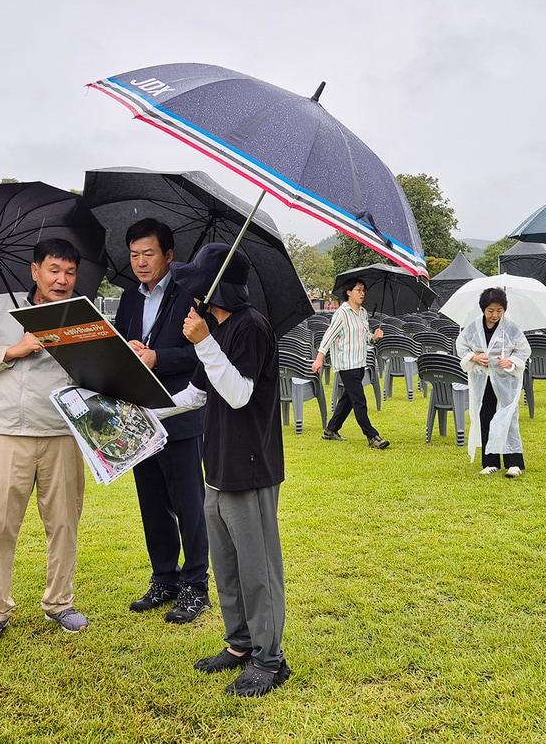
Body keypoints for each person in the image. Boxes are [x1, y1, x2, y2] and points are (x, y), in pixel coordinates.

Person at [154, 244, 290, 697]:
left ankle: (269, 660)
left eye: (196, 284)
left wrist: (204, 343)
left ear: (214, 290)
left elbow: (238, 394)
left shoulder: (250, 327)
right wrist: (143, 412)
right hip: (215, 466)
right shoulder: (215, 330)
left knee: (257, 568)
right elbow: (195, 395)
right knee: (226, 565)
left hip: (249, 468)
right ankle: (239, 645)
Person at [0, 238, 89, 644]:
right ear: (35, 270)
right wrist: (15, 349)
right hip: (8, 433)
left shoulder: (81, 313)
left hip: (61, 434)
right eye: (54, 270)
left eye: (69, 272)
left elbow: (102, 371)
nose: (62, 279)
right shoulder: (4, 306)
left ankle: (60, 603)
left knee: (64, 524)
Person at [112, 218, 211, 624]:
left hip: (182, 414)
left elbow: (206, 352)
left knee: (189, 504)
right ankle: (164, 579)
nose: (140, 262)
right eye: (134, 255)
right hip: (140, 416)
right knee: (151, 503)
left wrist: (158, 357)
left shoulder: (193, 295)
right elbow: (117, 343)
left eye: (149, 254)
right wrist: (128, 350)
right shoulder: (129, 298)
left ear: (169, 255)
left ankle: (196, 586)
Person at [455, 287, 531, 477]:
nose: (495, 315)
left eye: (499, 311)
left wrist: (511, 361)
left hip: (505, 380)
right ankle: (490, 461)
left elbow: (524, 350)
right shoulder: (473, 327)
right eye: (491, 311)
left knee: (508, 416)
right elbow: (461, 346)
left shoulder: (511, 328)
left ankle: (514, 462)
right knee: (486, 416)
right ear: (483, 309)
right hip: (483, 379)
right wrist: (475, 357)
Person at [311, 278, 389, 449]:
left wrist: (374, 337)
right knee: (359, 401)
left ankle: (330, 430)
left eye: (364, 291)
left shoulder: (363, 313)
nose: (362, 293)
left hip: (360, 362)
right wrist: (319, 358)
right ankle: (372, 436)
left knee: (348, 399)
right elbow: (328, 336)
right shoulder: (342, 313)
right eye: (359, 290)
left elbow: (365, 336)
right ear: (349, 292)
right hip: (347, 365)